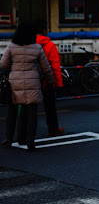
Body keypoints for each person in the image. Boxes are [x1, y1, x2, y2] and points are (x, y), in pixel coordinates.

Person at [1, 21, 55, 151]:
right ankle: (30, 142)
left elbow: (3, 65)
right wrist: (50, 80)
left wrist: (12, 70)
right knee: (31, 114)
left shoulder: (11, 46)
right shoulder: (37, 48)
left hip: (14, 83)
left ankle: (9, 139)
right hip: (32, 83)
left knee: (12, 112)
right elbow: (46, 68)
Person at [35, 19, 64, 137]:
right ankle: (53, 129)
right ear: (44, 30)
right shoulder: (49, 45)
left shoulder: (29, 44)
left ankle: (26, 133)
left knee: (30, 108)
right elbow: (55, 66)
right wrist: (59, 83)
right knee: (50, 106)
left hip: (32, 80)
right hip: (47, 81)